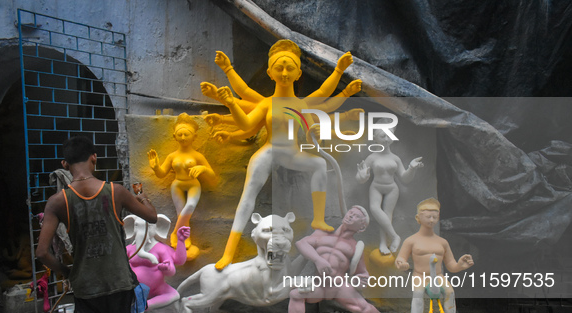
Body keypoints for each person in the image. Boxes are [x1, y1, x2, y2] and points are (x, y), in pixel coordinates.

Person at [212, 39, 361, 270]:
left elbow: (324, 95)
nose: (284, 72)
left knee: (319, 165)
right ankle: (229, 251)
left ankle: (318, 219)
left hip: (293, 153)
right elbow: (249, 125)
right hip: (270, 151)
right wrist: (231, 103)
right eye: (279, 68)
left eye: (289, 67)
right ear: (270, 72)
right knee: (248, 193)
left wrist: (339, 71)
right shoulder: (267, 103)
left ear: (298, 73)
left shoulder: (303, 104)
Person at [36, 136, 158, 313]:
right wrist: (144, 198)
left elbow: (42, 252)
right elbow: (152, 217)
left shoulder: (58, 201)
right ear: (94, 158)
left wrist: (66, 272)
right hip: (121, 286)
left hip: (85, 291)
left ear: (64, 164)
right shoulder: (116, 192)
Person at [266, 206, 399, 313]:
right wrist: (318, 260)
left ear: (361, 227)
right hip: (319, 285)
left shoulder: (355, 247)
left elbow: (362, 273)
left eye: (355, 216)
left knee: (365, 310)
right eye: (350, 212)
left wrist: (360, 280)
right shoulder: (322, 234)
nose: (350, 215)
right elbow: (301, 244)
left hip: (339, 286)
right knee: (296, 294)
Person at [394, 198, 474, 313]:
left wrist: (460, 265)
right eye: (427, 216)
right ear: (418, 218)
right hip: (420, 276)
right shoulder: (411, 241)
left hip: (438, 277)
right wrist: (401, 263)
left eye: (434, 216)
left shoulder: (442, 242)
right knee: (418, 293)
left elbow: (451, 266)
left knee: (450, 292)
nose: (431, 219)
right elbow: (401, 258)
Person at [147, 113, 216, 259]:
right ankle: (185, 238)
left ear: (194, 137)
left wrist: (203, 169)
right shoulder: (172, 156)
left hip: (193, 185)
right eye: (180, 134)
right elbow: (162, 174)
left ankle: (175, 232)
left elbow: (212, 174)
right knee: (182, 214)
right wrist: (155, 167)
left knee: (189, 207)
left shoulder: (197, 156)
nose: (183, 137)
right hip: (177, 185)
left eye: (186, 134)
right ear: (174, 136)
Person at [356, 127, 423, 255]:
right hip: (376, 186)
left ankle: (383, 243)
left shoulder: (395, 158)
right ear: (375, 138)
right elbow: (360, 177)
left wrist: (411, 168)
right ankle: (394, 236)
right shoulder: (372, 157)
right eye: (382, 136)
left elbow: (404, 178)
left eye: (389, 136)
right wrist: (362, 176)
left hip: (392, 188)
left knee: (387, 215)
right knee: (375, 209)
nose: (386, 139)